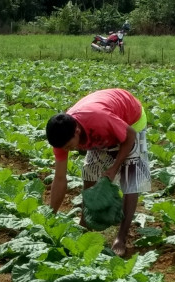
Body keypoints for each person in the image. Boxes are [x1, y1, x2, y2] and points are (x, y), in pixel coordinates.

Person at [45, 88, 150, 256]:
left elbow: (129, 136)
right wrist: (50, 215)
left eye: (69, 146)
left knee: (131, 177)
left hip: (131, 121)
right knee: (90, 172)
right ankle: (84, 223)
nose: (67, 150)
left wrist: (114, 167)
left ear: (77, 131)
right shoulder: (62, 138)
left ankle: (121, 237)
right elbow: (59, 178)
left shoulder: (98, 120)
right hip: (102, 127)